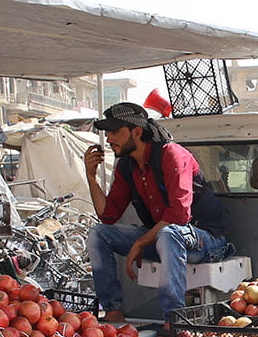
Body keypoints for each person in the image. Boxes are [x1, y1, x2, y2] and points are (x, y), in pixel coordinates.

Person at [83, 101, 232, 321]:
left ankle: (174, 320)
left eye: (114, 131)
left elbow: (179, 216)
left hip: (206, 240)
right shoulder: (126, 166)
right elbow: (108, 215)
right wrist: (91, 177)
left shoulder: (172, 154)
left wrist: (140, 242)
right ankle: (113, 312)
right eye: (107, 133)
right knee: (98, 233)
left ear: (136, 131)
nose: (109, 138)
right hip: (164, 237)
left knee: (169, 233)